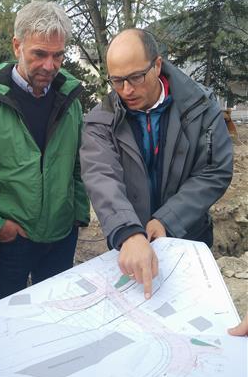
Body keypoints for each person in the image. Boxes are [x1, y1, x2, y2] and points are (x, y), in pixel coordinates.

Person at [0, 0, 90, 301]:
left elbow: (79, 166)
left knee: (56, 315)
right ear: (17, 46)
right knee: (8, 323)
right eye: (39, 54)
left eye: (58, 56)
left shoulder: (71, 102)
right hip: (11, 240)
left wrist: (78, 214)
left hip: (61, 237)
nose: (50, 66)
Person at [80, 28, 233, 299]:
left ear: (157, 65)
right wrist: (128, 231)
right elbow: (100, 175)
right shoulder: (101, 119)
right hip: (130, 249)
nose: (126, 90)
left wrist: (167, 220)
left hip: (188, 238)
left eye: (136, 77)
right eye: (117, 81)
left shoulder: (200, 107)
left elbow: (214, 170)